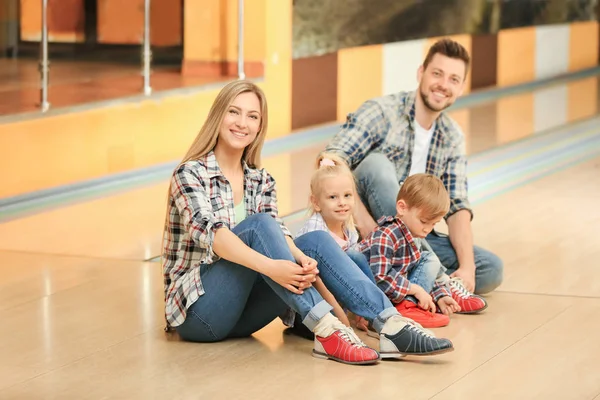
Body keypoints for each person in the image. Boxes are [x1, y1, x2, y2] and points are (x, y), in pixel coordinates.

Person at [161, 79, 454, 366]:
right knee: (260, 224)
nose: (242, 123)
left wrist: (301, 259)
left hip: (242, 317)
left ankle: (390, 325)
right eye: (234, 112)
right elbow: (214, 237)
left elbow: (279, 236)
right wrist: (273, 267)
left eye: (252, 116)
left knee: (313, 242)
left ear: (260, 126)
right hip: (198, 313)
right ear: (218, 115)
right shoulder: (190, 174)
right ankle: (327, 330)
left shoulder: (260, 179)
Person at [324, 38, 503, 295]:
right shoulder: (382, 111)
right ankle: (435, 282)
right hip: (368, 232)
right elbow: (331, 159)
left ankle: (398, 285)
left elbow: (457, 206)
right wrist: (362, 220)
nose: (443, 84)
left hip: (411, 238)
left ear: (462, 87)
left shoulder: (452, 136)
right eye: (437, 74)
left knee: (489, 268)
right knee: (376, 165)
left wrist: (467, 267)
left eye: (454, 79)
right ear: (421, 73)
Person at [358, 174, 487, 329]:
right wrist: (416, 290)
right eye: (424, 221)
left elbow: (419, 270)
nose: (428, 229)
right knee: (430, 259)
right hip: (373, 298)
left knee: (428, 258)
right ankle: (408, 307)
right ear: (402, 207)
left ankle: (413, 306)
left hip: (394, 293)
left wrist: (440, 296)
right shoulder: (386, 235)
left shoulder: (412, 236)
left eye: (434, 224)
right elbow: (380, 277)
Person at [296, 152, 374, 331]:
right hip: (311, 308)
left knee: (358, 257)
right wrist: (340, 316)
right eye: (333, 197)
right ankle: (374, 311)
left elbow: (356, 274)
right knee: (355, 257)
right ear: (316, 203)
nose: (342, 203)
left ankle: (371, 312)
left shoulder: (348, 230)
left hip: (337, 301)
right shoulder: (315, 231)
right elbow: (315, 282)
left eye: (347, 195)